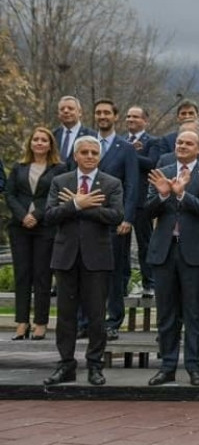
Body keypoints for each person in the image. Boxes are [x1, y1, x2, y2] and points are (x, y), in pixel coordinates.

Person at [42, 136, 124, 386]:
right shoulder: (60, 181)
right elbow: (50, 215)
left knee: (97, 316)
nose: (89, 156)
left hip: (97, 259)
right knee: (66, 316)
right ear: (76, 156)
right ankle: (66, 365)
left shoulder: (111, 183)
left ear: (99, 157)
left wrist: (80, 206)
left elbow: (116, 216)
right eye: (84, 152)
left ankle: (95, 366)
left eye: (94, 153)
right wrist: (77, 203)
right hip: (65, 257)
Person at [145, 130, 199, 386]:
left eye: (188, 143)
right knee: (166, 314)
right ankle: (167, 367)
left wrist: (181, 194)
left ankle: (195, 367)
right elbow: (147, 210)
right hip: (164, 251)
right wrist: (164, 194)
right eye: (179, 142)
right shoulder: (162, 170)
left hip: (194, 253)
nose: (182, 146)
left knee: (194, 314)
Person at [5, 127, 66, 341]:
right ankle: (22, 322)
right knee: (22, 275)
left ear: (50, 145)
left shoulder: (59, 169)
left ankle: (40, 323)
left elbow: (57, 196)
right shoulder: (18, 167)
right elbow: (10, 194)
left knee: (42, 275)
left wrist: (37, 215)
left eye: (44, 140)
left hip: (45, 227)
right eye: (36, 139)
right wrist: (23, 216)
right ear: (30, 143)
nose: (39, 143)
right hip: (19, 227)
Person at [92, 99, 139, 342]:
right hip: (87, 220)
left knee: (115, 273)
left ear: (115, 116)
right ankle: (87, 322)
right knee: (87, 272)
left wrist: (128, 217)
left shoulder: (126, 148)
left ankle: (113, 321)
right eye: (98, 112)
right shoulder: (87, 144)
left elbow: (132, 184)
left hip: (116, 220)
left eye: (106, 112)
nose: (102, 116)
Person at [125, 106, 157, 297]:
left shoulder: (153, 142)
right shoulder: (120, 141)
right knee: (121, 246)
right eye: (128, 116)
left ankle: (150, 282)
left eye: (135, 117)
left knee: (145, 244)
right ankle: (122, 283)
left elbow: (152, 164)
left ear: (145, 120)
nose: (131, 119)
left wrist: (130, 154)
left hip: (143, 201)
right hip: (121, 200)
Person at [52, 96, 97, 164]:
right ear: (58, 114)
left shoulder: (92, 135)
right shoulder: (53, 136)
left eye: (70, 108)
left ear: (80, 112)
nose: (66, 111)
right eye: (62, 109)